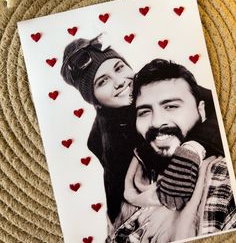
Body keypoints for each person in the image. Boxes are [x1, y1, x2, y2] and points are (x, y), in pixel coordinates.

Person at [60, 34, 224, 225]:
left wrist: (194, 147)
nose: (120, 81)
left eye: (119, 68)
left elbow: (222, 109)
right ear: (94, 100)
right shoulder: (101, 139)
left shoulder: (159, 82)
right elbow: (119, 195)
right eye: (102, 81)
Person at [109, 59, 236, 243]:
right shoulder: (133, 180)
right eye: (144, 112)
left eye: (171, 106)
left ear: (202, 111)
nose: (156, 122)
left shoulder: (222, 178)